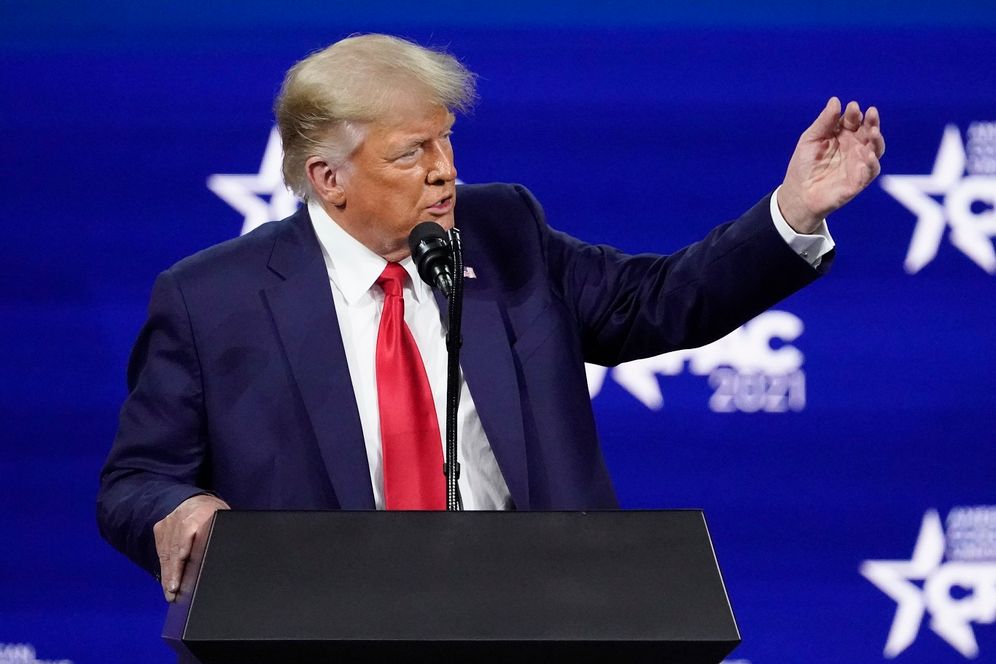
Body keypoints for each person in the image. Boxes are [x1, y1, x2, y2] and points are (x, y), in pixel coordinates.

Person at [97, 34, 885, 602]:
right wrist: (179, 507)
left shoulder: (504, 234)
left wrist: (794, 211)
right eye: (411, 153)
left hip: (537, 619)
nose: (445, 171)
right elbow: (135, 481)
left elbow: (655, 302)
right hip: (323, 626)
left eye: (445, 142)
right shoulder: (214, 300)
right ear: (329, 179)